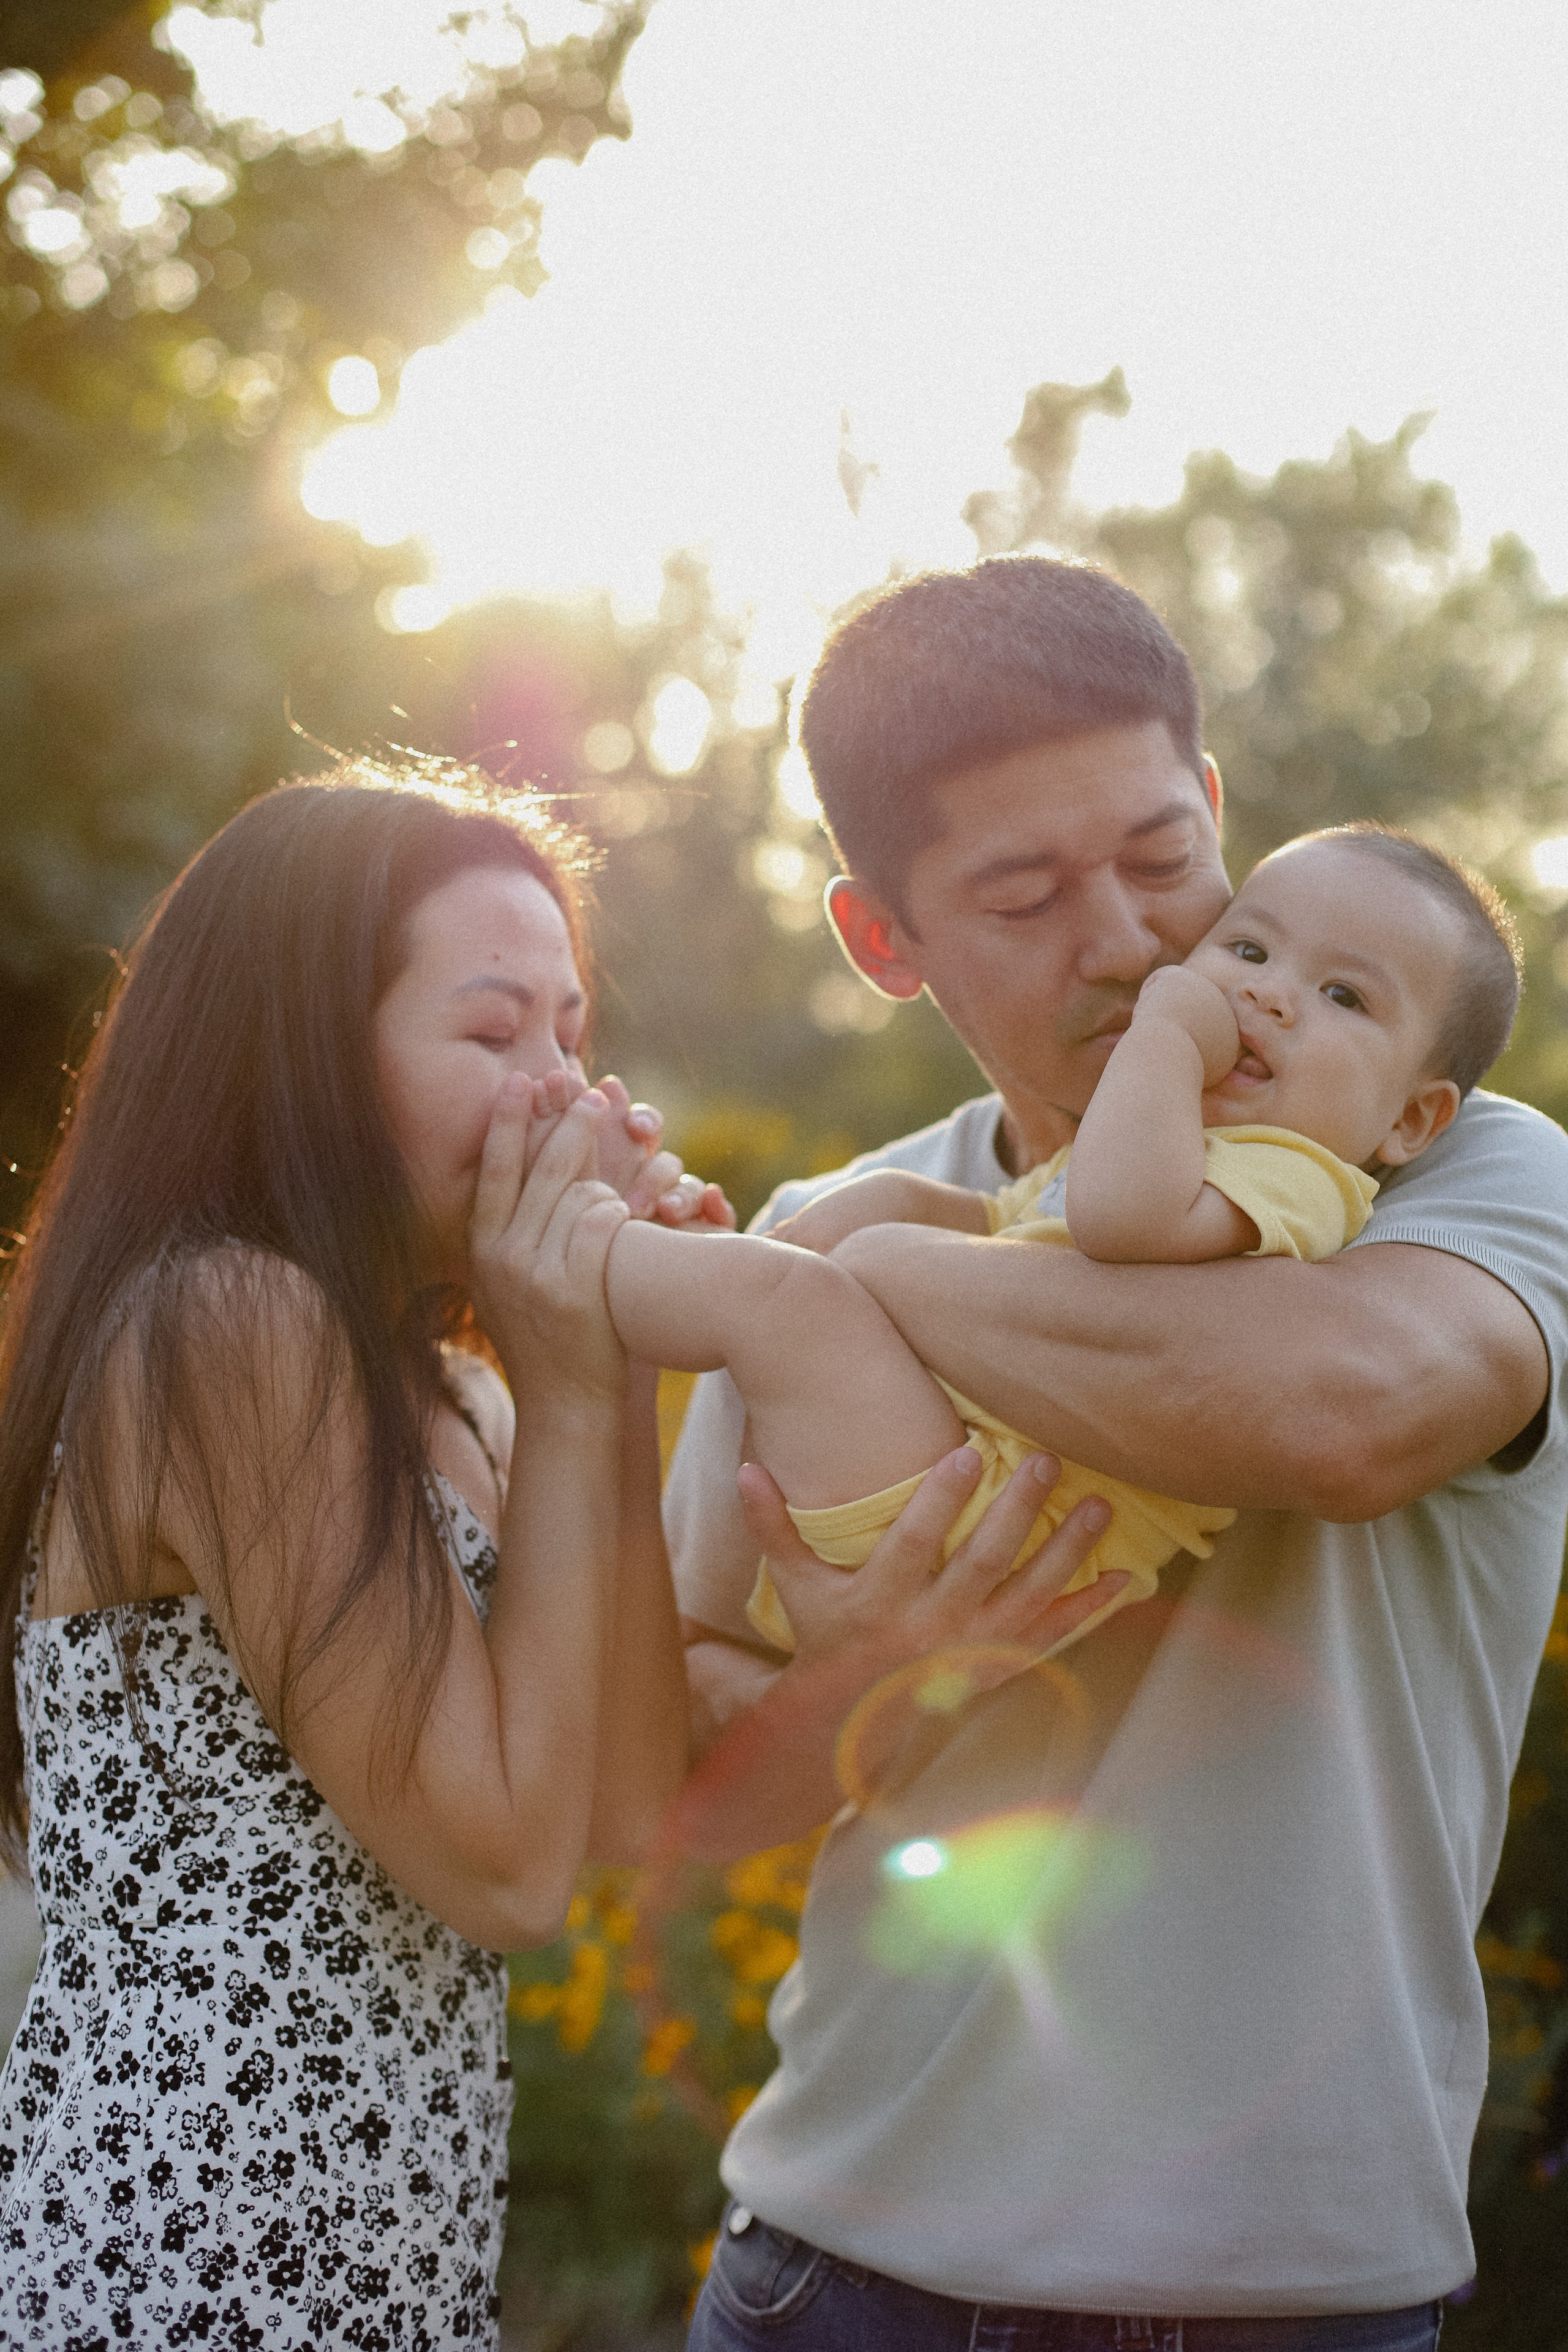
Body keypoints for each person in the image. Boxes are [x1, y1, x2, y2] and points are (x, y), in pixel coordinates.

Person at [669, 558, 1568, 2350]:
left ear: (1218, 805)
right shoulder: (810, 1237)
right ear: (883, 940)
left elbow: (1341, 1413)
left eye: (1165, 859)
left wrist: (879, 1271)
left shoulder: (1456, 1163)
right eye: (1023, 894)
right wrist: (866, 1669)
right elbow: (690, 1798)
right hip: (839, 2267)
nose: (1139, 946)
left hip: (1288, 2303)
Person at [0, 758, 714, 2346]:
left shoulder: (455, 1388)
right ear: (311, 1054)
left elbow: (622, 1805)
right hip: (186, 2265)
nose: (565, 1093)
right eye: (489, 1031)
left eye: (573, 1034)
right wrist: (581, 1385)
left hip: (389, 2262)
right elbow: (512, 1872)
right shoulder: (226, 1325)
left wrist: (620, 1367)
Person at [589, 821, 1509, 1667]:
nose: (1269, 994)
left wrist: (1168, 1037)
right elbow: (1013, 1234)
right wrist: (861, 1225)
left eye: (1342, 995)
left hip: (987, 1520)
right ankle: (677, 1270)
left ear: (1412, 1120)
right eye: (1249, 949)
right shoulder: (1177, 1134)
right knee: (879, 1203)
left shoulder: (1299, 1174)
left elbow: (1115, 1222)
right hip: (947, 1474)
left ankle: (581, 1260)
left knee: (788, 1300)